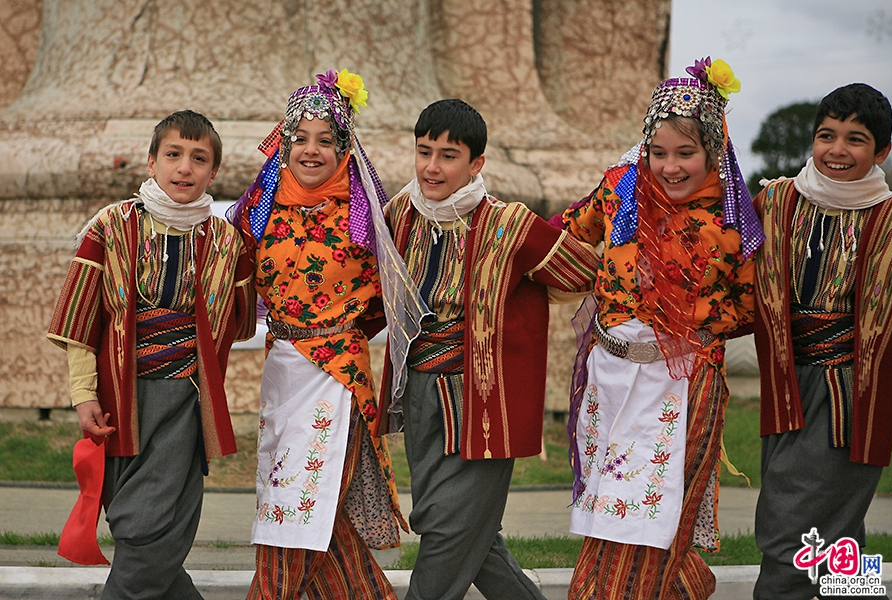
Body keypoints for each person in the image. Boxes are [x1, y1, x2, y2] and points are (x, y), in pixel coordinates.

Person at [377, 98, 600, 600]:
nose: (432, 166)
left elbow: (583, 272)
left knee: (446, 530)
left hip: (483, 399)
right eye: (424, 151)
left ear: (476, 163)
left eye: (449, 155)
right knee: (458, 527)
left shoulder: (510, 225)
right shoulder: (398, 215)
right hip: (419, 391)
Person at [556, 58, 762, 599]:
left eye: (685, 153)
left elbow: (751, 304)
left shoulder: (731, 218)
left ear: (714, 151)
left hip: (684, 384)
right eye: (658, 152)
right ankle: (687, 586)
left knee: (651, 515)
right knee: (609, 507)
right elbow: (567, 234)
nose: (669, 167)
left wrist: (688, 328)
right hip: (609, 376)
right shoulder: (621, 190)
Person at [231, 69, 427, 600]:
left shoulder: (365, 217)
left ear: (345, 149)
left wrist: (341, 332)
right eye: (300, 139)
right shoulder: (260, 212)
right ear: (284, 144)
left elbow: (392, 295)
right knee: (300, 502)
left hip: (336, 373)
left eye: (326, 140)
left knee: (299, 500)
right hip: (282, 369)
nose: (311, 151)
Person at [48, 109, 257, 598]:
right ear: (151, 162)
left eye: (199, 158)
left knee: (147, 530)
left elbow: (239, 325)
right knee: (138, 524)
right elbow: (82, 321)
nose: (185, 167)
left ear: (214, 172)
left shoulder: (227, 241)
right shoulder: (111, 226)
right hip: (124, 399)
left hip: (186, 401)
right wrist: (84, 395)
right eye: (173, 154)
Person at [752, 83, 892, 600]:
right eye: (825, 135)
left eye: (855, 139)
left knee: (789, 530)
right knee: (835, 535)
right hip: (786, 384)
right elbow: (726, 268)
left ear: (881, 152)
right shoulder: (775, 200)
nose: (836, 150)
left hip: (850, 396)